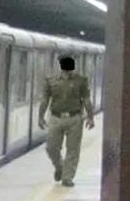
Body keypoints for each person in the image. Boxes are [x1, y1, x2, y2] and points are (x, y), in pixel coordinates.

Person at [38, 55, 96, 187]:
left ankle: (67, 177)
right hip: (55, 117)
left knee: (73, 149)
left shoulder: (81, 81)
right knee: (51, 147)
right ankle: (60, 166)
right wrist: (40, 117)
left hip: (75, 118)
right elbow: (45, 100)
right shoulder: (51, 81)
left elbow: (86, 99)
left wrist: (91, 117)